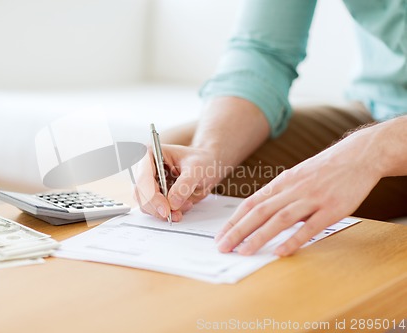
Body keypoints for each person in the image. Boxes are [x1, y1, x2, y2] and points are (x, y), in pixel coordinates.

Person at [135, 0, 407, 257]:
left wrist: (377, 149)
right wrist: (210, 152)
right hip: (382, 108)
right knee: (179, 170)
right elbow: (264, 50)